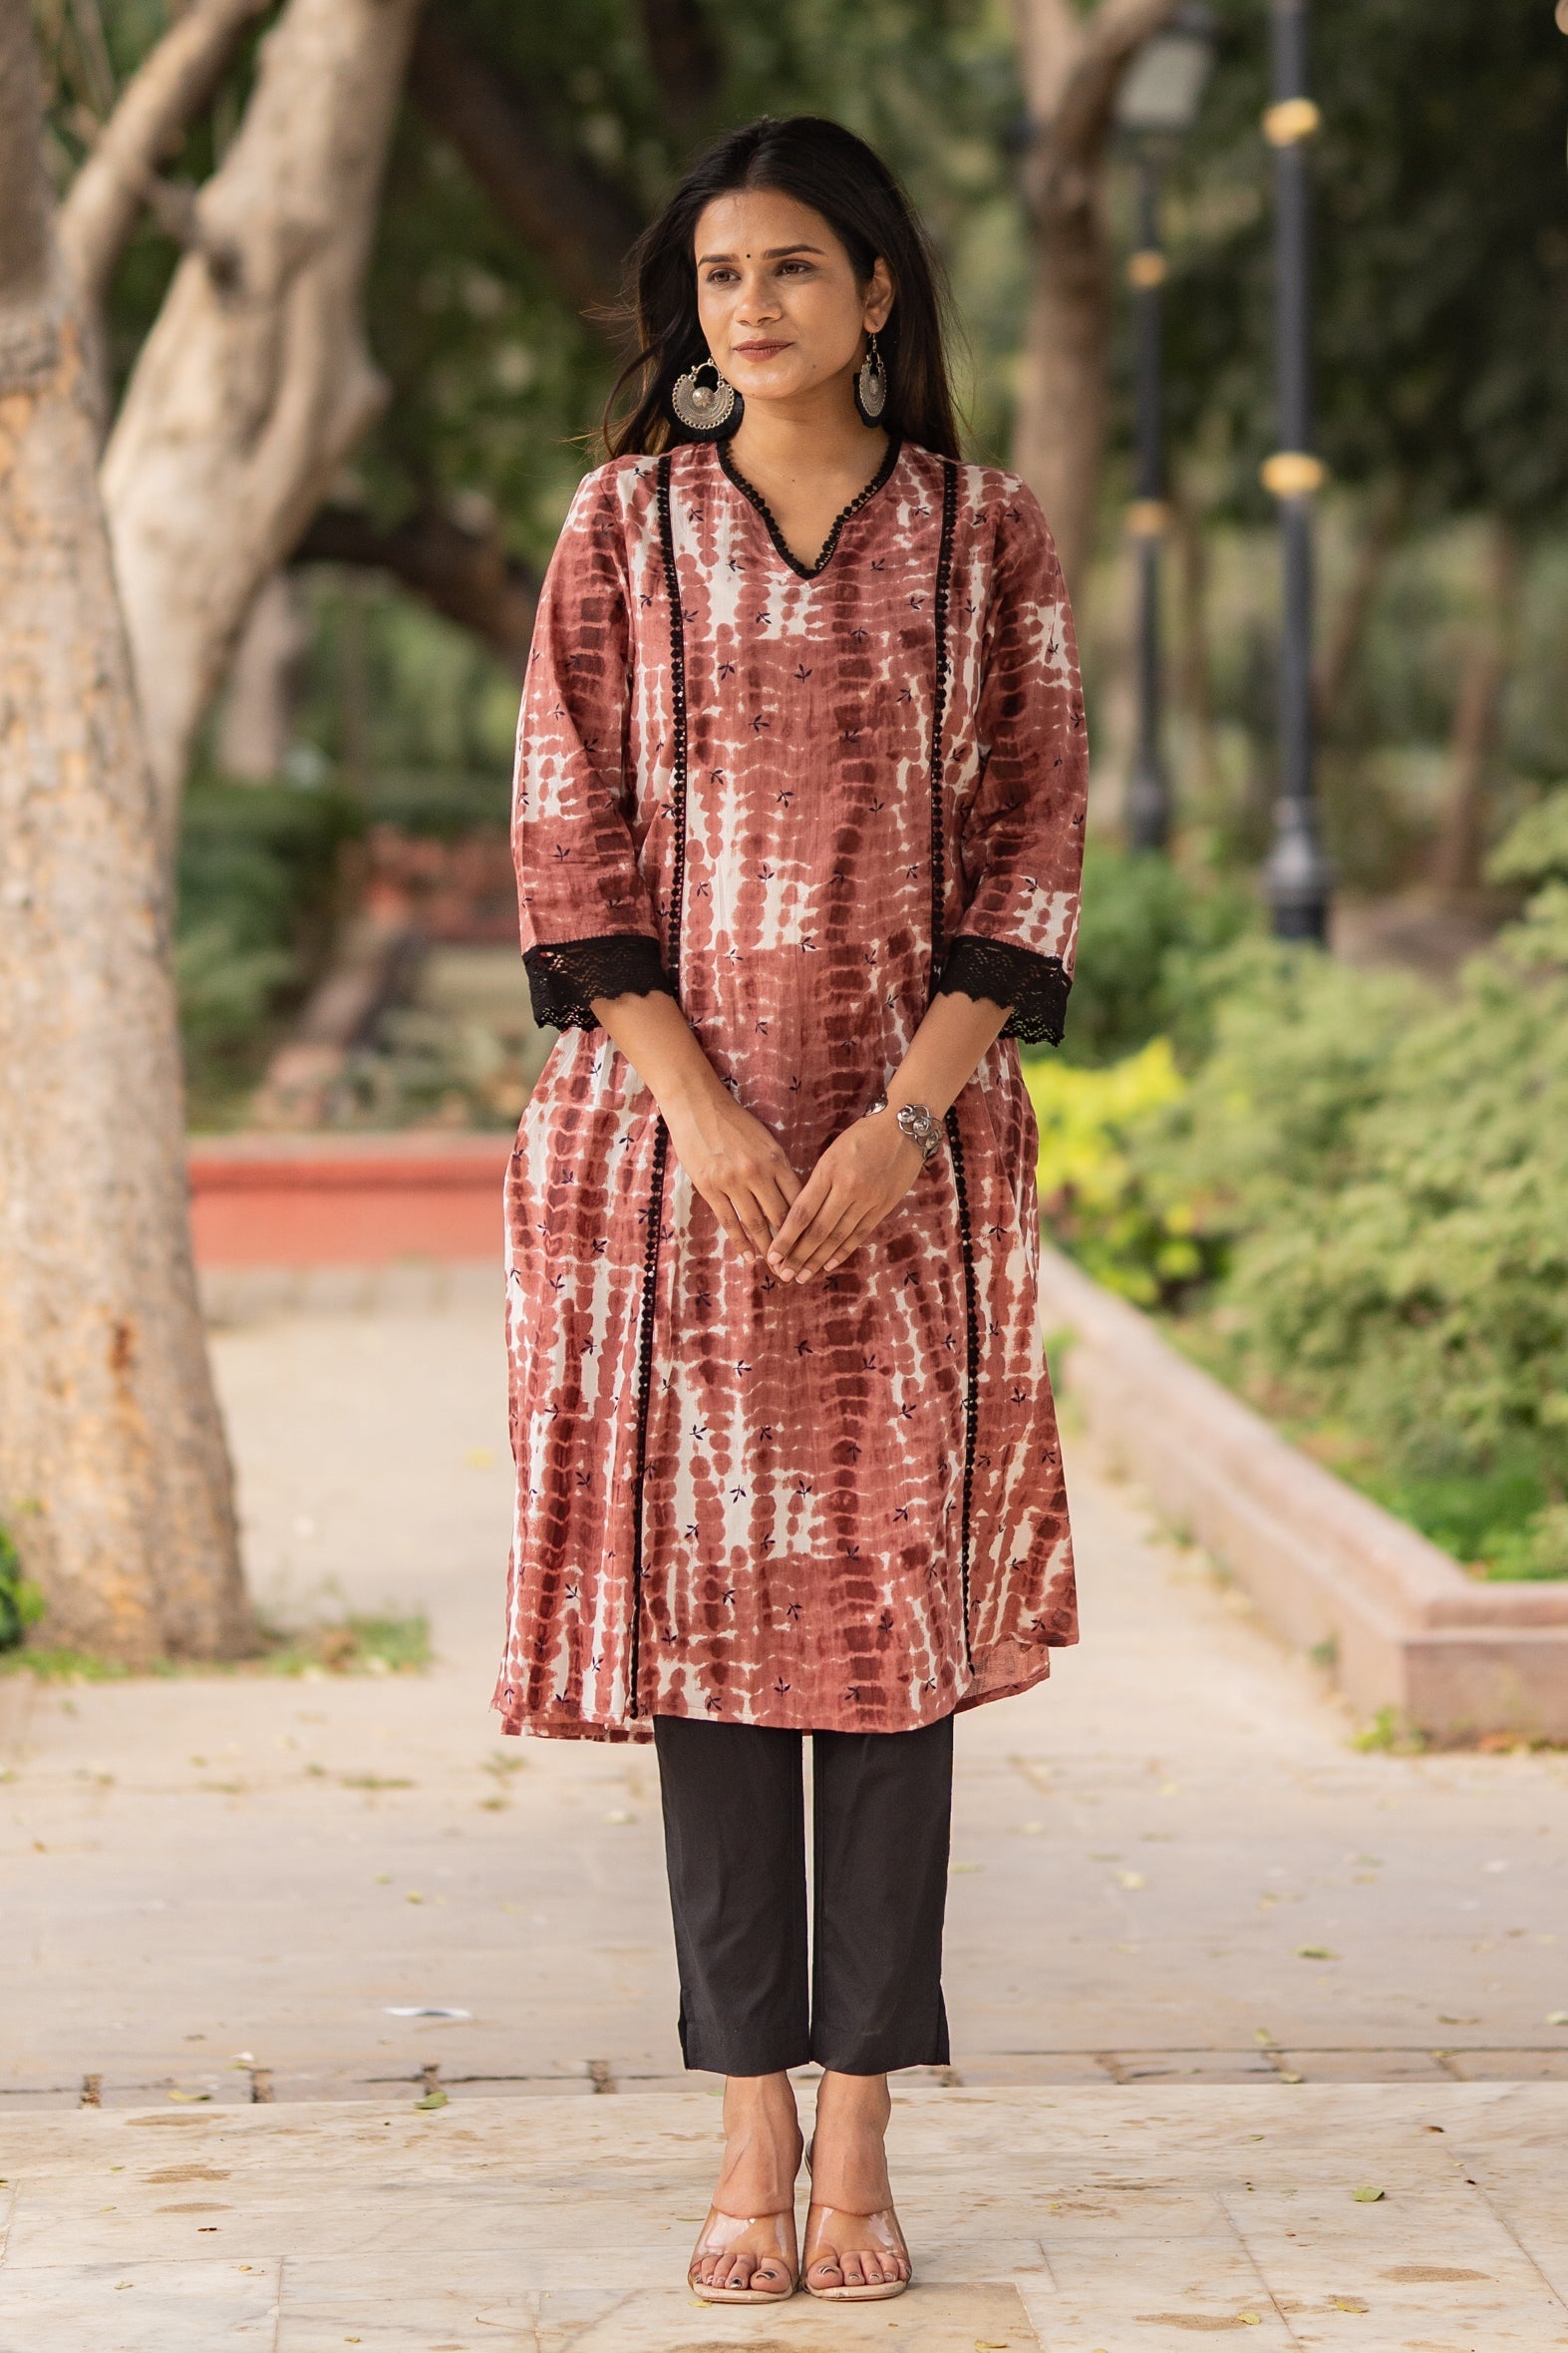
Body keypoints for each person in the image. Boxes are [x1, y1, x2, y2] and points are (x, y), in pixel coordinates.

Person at [494, 113, 1087, 2306]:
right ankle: (745, 2135)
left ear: (877, 297)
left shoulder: (982, 540)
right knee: (721, 1665)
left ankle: (864, 2144)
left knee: (886, 1658)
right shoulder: (622, 528)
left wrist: (893, 1129)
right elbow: (568, 843)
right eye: (719, 277)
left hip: (908, 1173)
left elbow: (1032, 848)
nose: (748, 310)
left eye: (791, 272)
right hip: (671, 1176)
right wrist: (718, 1128)